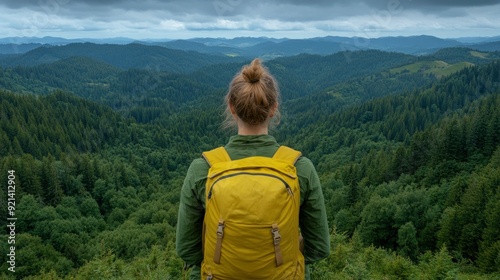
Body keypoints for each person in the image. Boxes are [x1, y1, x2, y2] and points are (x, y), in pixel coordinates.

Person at [176, 58, 330, 279]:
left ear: (231, 107)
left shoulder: (203, 169)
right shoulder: (299, 169)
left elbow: (187, 250)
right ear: (274, 108)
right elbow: (319, 248)